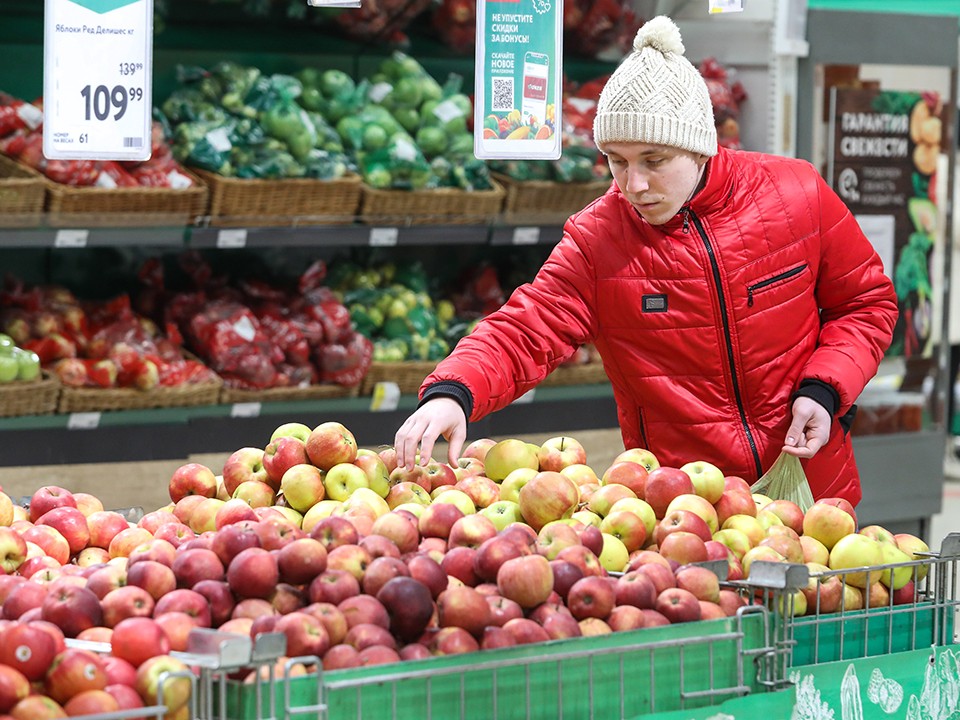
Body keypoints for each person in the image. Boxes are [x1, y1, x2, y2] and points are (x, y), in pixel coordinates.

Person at [394, 15, 897, 506]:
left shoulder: (796, 194)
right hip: (682, 507)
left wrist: (826, 389)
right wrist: (454, 391)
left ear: (699, 148)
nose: (633, 185)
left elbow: (866, 304)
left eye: (654, 161)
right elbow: (525, 328)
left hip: (810, 487)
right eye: (617, 160)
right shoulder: (598, 240)